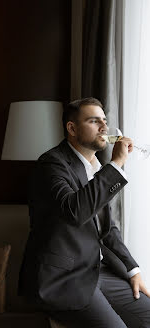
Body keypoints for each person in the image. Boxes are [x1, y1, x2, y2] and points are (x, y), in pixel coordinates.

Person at [18, 97, 150, 327]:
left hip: (97, 272)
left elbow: (107, 229)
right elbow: (75, 212)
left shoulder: (96, 168)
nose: (104, 127)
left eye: (105, 121)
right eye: (93, 121)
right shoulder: (51, 164)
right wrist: (116, 164)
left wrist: (133, 270)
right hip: (63, 279)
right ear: (72, 128)